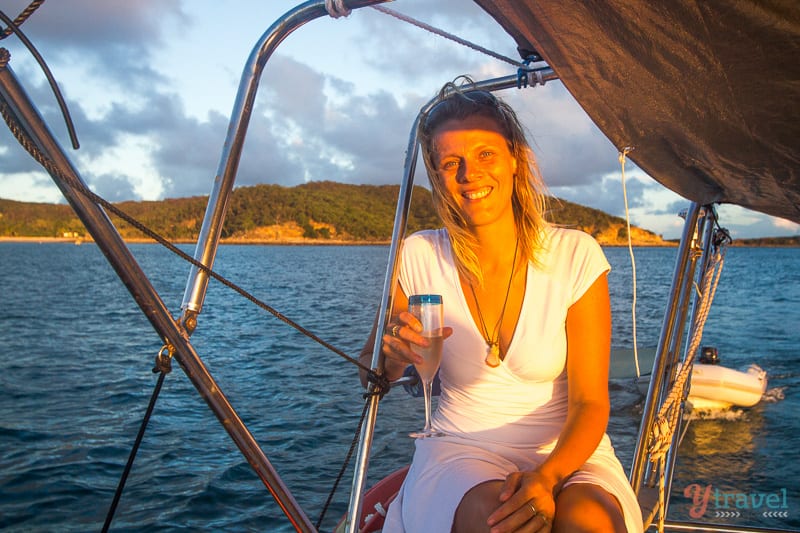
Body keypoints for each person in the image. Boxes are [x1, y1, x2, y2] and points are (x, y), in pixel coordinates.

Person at [359, 78, 644, 533]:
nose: (470, 175)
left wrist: (547, 479)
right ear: (438, 176)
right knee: (499, 522)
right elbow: (371, 372)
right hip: (459, 448)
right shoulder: (416, 254)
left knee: (588, 520)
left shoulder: (575, 255)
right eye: (452, 163)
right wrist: (390, 357)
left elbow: (590, 402)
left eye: (485, 154)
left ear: (517, 160)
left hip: (564, 449)